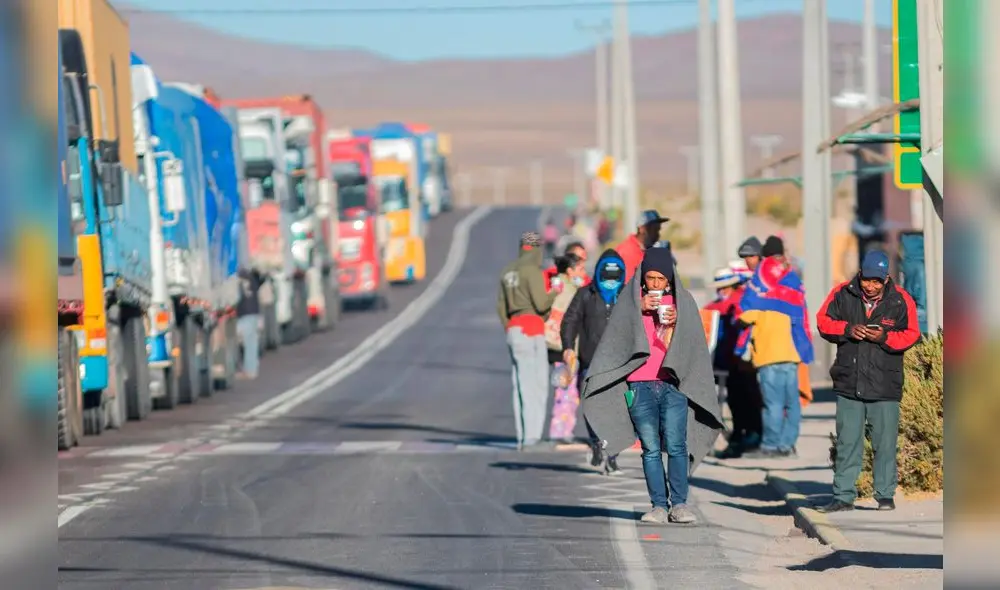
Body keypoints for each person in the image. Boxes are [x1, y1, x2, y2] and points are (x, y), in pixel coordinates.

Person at [582, 245, 725, 524]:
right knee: (649, 447)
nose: (656, 284)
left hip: (673, 385)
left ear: (670, 278)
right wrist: (639, 310)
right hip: (639, 386)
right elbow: (616, 341)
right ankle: (658, 505)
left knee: (676, 446)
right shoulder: (630, 301)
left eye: (662, 279)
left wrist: (674, 325)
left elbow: (694, 346)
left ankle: (680, 504)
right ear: (643, 278)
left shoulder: (682, 302)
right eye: (651, 279)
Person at [815, 250, 920, 513]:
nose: (871, 286)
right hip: (849, 383)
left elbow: (912, 335)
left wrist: (884, 337)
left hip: (885, 386)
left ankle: (885, 496)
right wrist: (848, 330)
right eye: (867, 280)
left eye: (877, 281)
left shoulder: (901, 300)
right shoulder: (842, 293)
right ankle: (843, 496)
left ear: (886, 279)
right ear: (860, 274)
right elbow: (823, 322)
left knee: (885, 444)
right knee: (847, 442)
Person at [736, 238, 814, 459]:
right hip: (792, 351)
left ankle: (771, 446)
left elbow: (745, 314)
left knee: (772, 403)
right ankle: (787, 445)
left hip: (768, 353)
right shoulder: (792, 281)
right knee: (791, 402)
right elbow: (802, 314)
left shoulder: (761, 283)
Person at [561, 249, 628, 475]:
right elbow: (569, 320)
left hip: (621, 365)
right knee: (591, 408)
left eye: (615, 277)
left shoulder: (629, 296)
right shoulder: (585, 294)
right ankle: (596, 442)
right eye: (606, 276)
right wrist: (568, 346)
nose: (611, 282)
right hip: (592, 362)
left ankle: (613, 455)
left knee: (621, 412)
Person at [497, 231, 558, 450]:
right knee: (537, 384)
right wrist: (555, 292)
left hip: (513, 330)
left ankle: (522, 436)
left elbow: (501, 307)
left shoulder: (507, 272)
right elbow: (541, 304)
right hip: (532, 330)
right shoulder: (532, 271)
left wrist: (509, 326)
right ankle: (532, 438)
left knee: (520, 384)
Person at [703, 267, 762, 458]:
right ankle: (739, 440)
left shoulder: (739, 303)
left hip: (741, 363)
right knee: (738, 403)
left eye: (724, 287)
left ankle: (743, 440)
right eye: (719, 288)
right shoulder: (716, 306)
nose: (721, 291)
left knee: (745, 403)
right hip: (727, 363)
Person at [544, 252, 588, 443]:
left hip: (562, 349)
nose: (583, 272)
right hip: (566, 349)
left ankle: (563, 429)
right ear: (570, 271)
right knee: (566, 392)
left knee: (567, 390)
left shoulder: (561, 286)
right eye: (580, 268)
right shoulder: (566, 290)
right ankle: (560, 430)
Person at [615, 209, 670, 283]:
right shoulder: (628, 251)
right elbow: (628, 287)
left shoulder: (647, 250)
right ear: (642, 229)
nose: (657, 234)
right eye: (654, 230)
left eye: (658, 230)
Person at [235, 267, 264, 379]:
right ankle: (252, 369)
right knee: (252, 343)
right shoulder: (252, 279)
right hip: (254, 313)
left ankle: (248, 371)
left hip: (244, 314)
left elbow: (237, 298)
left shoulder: (239, 282)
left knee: (246, 343)